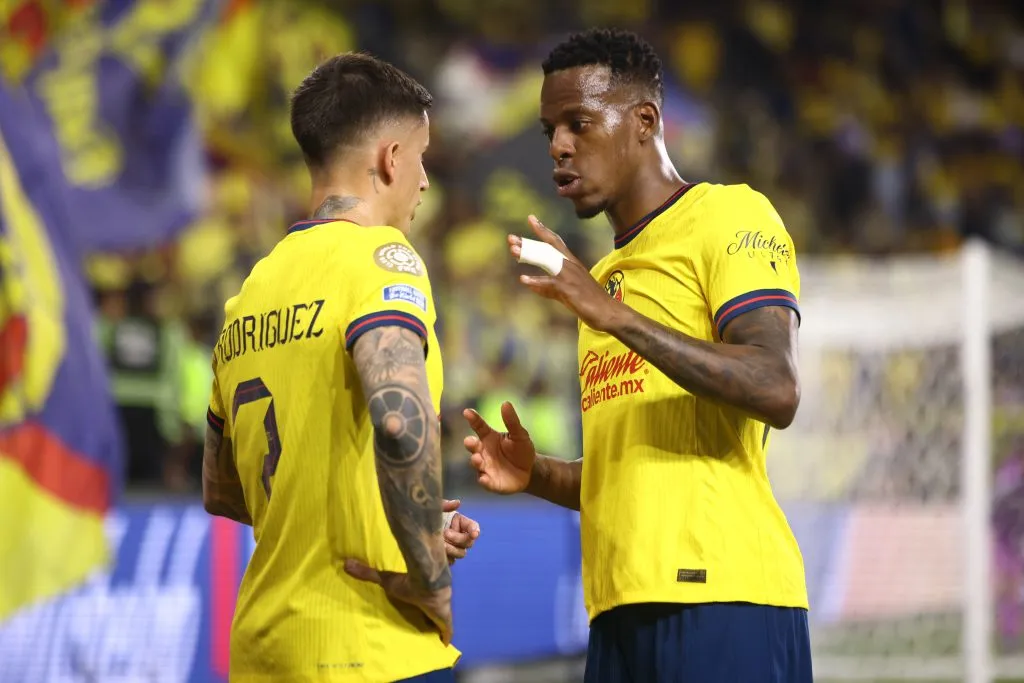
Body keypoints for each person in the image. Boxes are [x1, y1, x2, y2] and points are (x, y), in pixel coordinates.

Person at [464, 28, 812, 682]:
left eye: (579, 123)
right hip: (618, 609)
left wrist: (611, 313)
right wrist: (535, 471)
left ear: (645, 121)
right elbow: (627, 473)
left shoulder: (728, 215)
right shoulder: (607, 274)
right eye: (549, 131)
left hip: (723, 596)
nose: (559, 146)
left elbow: (776, 384)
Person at [202, 52, 479, 683]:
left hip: (264, 650)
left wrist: (398, 516)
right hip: (367, 647)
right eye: (422, 157)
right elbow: (402, 423)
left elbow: (221, 490)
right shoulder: (383, 259)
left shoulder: (249, 292)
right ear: (389, 159)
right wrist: (428, 576)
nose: (426, 181)